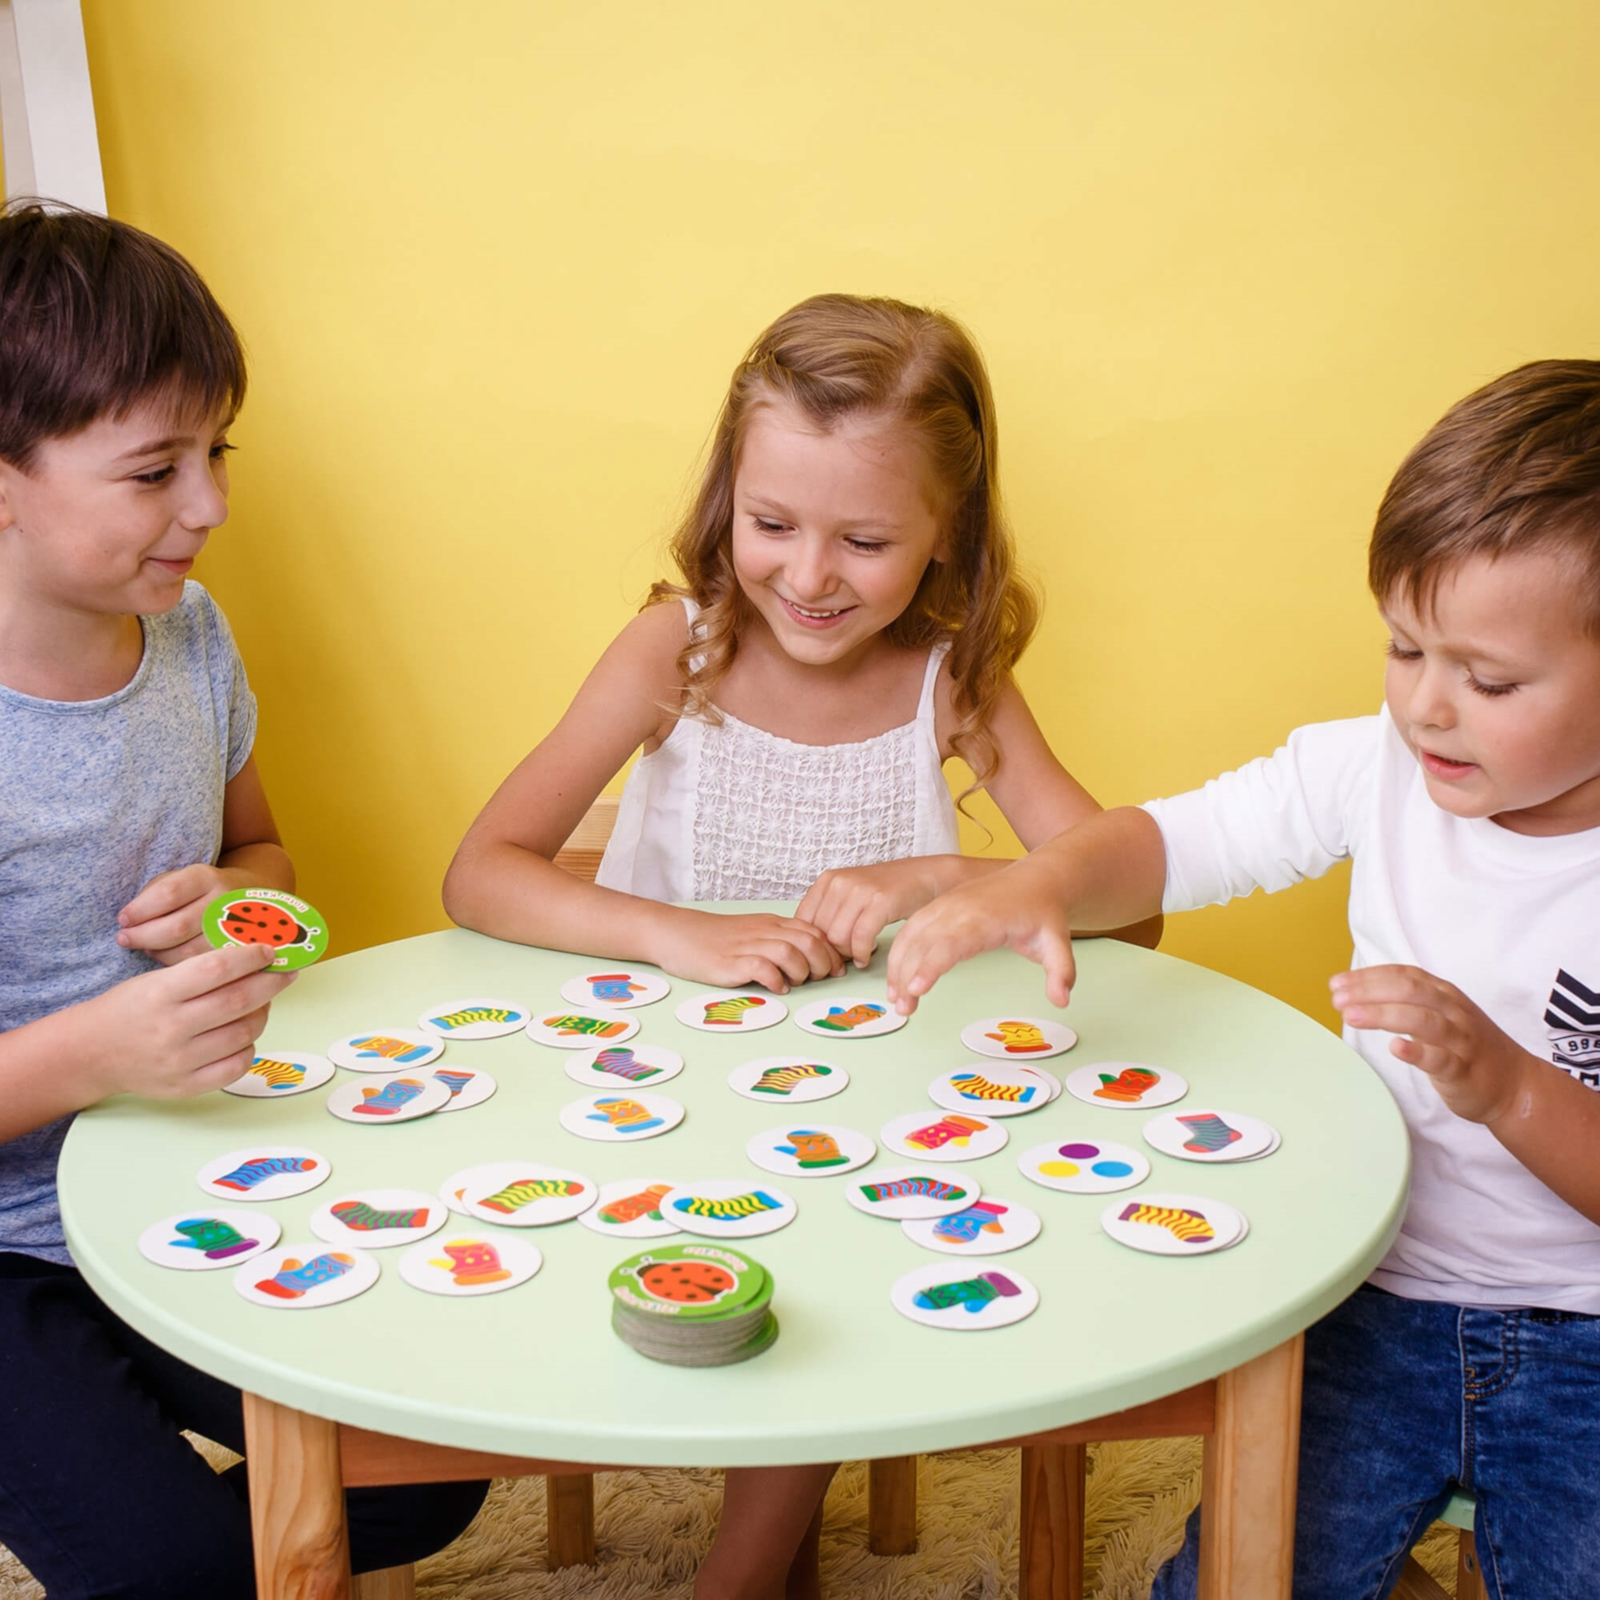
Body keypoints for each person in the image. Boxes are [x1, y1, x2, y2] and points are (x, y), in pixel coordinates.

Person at [445, 292, 1158, 1600]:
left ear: (949, 535)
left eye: (868, 540)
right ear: (728, 500)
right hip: (652, 1101)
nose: (810, 576)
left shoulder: (955, 678)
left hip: (863, 1113)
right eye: (772, 524)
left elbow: (1130, 900)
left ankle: (746, 1568)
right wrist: (682, 934)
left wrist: (945, 872)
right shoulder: (681, 647)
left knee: (848, 1230)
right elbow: (481, 874)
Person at [885, 359, 1600, 1599]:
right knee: (1234, 1575)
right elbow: (1176, 841)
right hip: (1370, 1293)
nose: (1428, 707)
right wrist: (1039, 883)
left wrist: (1506, 1086)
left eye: (1489, 680)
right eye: (1403, 645)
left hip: (1588, 1339)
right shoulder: (1373, 767)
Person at [0, 202, 485, 1599]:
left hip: (179, 1173)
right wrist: (103, 1049)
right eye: (156, 469)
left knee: (440, 1469)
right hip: (4, 1251)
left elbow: (271, 862)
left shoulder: (193, 639)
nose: (210, 505)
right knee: (171, 1569)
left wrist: (228, 899)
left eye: (218, 454)